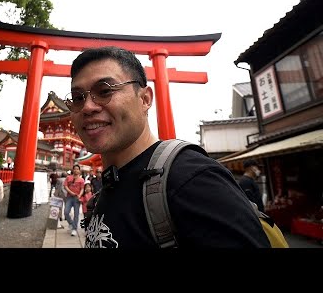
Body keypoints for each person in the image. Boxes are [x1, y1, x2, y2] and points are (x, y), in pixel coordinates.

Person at [65, 46, 271, 248]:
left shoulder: (192, 179)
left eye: (104, 91)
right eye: (77, 98)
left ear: (145, 99)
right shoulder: (108, 187)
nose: (88, 107)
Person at [63, 164, 85, 237]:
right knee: (66, 212)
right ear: (73, 170)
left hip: (77, 198)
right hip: (69, 197)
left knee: (76, 214)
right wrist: (70, 192)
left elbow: (82, 188)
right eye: (74, 169)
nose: (76, 170)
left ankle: (74, 229)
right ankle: (71, 224)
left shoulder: (81, 180)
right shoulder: (68, 177)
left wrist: (80, 195)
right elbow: (65, 186)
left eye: (77, 169)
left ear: (79, 171)